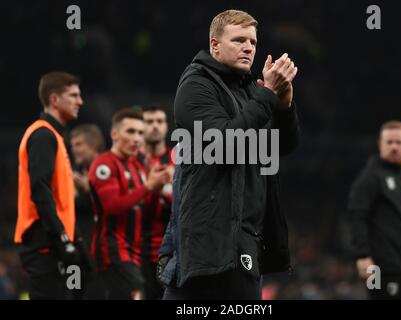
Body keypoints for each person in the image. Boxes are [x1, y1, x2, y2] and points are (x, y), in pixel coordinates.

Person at [160, 9, 300, 300]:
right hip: (208, 240)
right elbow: (223, 145)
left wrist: (284, 105)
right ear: (215, 45)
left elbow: (281, 147)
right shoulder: (196, 85)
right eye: (238, 40)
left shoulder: (251, 91)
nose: (248, 47)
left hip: (244, 238)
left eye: (252, 42)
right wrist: (267, 95)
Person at [15, 71, 85, 299]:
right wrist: (61, 238)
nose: (80, 102)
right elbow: (40, 189)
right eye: (73, 95)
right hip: (45, 241)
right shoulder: (44, 135)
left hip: (51, 241)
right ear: (54, 99)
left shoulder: (52, 135)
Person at [88, 108, 170, 299]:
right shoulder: (105, 164)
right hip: (112, 249)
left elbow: (144, 207)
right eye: (130, 131)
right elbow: (112, 207)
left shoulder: (137, 166)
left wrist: (157, 189)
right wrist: (148, 186)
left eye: (140, 133)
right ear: (114, 134)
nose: (137, 138)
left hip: (133, 251)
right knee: (136, 293)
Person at [347, 120, 401, 300]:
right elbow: (356, 215)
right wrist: (362, 255)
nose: (394, 147)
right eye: (389, 142)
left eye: (399, 142)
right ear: (380, 145)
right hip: (380, 267)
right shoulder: (369, 178)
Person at [139, 105, 174, 300]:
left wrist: (167, 190)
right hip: (138, 252)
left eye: (159, 121)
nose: (154, 126)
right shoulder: (133, 161)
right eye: (149, 122)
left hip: (171, 251)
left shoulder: (177, 159)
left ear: (166, 126)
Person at [69, 124, 106, 299]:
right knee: (74, 294)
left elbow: (113, 206)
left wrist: (88, 189)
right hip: (76, 255)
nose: (74, 149)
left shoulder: (109, 170)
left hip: (100, 256)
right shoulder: (75, 176)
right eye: (72, 145)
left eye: (78, 144)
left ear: (94, 145)